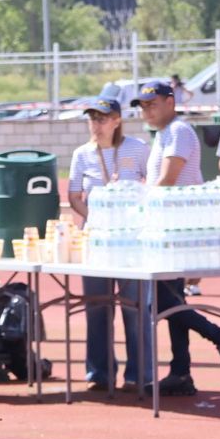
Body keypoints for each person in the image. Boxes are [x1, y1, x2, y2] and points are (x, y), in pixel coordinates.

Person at [135, 80, 220, 397]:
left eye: (152, 103)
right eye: (142, 106)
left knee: (164, 302)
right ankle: (181, 371)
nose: (147, 110)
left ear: (171, 102)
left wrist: (138, 203)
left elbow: (168, 180)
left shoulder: (179, 132)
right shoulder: (162, 136)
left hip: (179, 231)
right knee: (171, 300)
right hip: (167, 230)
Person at [67, 88, 148, 392]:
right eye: (92, 119)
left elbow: (151, 187)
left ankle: (138, 374)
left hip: (129, 243)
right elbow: (74, 195)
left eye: (102, 119)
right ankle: (99, 373)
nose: (96, 125)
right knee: (97, 307)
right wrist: (97, 216)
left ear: (116, 120)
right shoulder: (82, 154)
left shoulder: (138, 149)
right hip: (96, 241)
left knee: (134, 307)